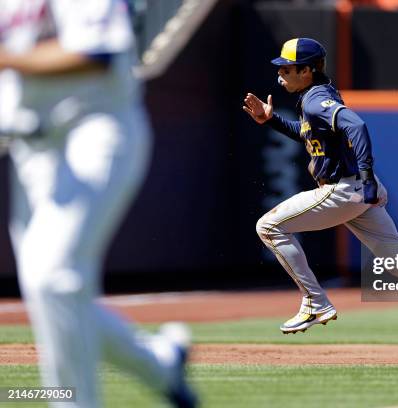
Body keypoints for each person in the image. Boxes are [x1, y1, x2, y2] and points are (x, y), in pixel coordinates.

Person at [243, 37, 398, 364]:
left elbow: (357, 126)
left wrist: (368, 176)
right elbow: (310, 134)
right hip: (355, 192)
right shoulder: (316, 96)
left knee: (268, 225)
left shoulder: (316, 100)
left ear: (308, 70)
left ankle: (315, 301)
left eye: (288, 69)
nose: (280, 75)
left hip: (344, 189)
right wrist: (270, 120)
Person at [0, 0, 197, 406]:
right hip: (30, 149)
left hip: (94, 130)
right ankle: (160, 363)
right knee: (51, 287)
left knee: (52, 277)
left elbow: (95, 54)